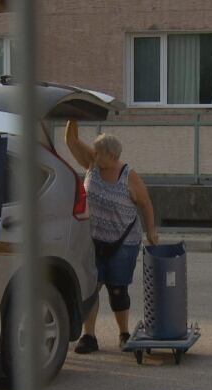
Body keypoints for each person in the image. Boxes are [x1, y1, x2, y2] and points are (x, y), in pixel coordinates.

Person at [65, 120, 159, 354]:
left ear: (112, 156)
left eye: (99, 152)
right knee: (91, 288)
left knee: (117, 290)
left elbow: (146, 203)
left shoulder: (129, 176)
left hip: (123, 243)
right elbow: (72, 141)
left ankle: (124, 333)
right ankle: (89, 336)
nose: (93, 154)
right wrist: (73, 117)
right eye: (94, 151)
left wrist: (151, 231)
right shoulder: (92, 163)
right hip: (94, 240)